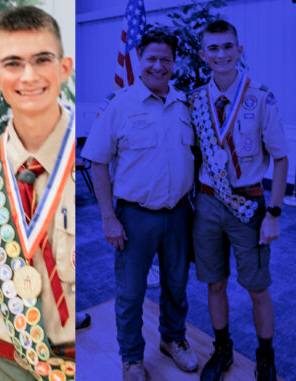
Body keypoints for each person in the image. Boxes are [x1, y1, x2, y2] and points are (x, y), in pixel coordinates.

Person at [0, 7, 75, 380]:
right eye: (13, 63)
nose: (29, 76)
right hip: (3, 363)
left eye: (42, 59)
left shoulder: (94, 154)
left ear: (65, 67)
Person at [81, 28, 198, 381]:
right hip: (134, 217)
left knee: (176, 285)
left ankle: (172, 340)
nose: (159, 66)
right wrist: (108, 218)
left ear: (174, 63)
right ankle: (132, 358)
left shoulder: (184, 106)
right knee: (131, 293)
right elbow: (97, 162)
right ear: (139, 60)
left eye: (166, 59)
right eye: (152, 58)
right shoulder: (120, 106)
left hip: (179, 214)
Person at [190, 20, 288, 381]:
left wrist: (274, 213)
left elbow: (280, 159)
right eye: (213, 48)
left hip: (248, 206)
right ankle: (223, 349)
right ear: (203, 55)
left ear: (239, 50)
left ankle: (265, 357)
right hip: (208, 205)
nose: (221, 54)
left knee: (257, 287)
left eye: (227, 46)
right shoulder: (196, 100)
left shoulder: (260, 97)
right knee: (214, 283)